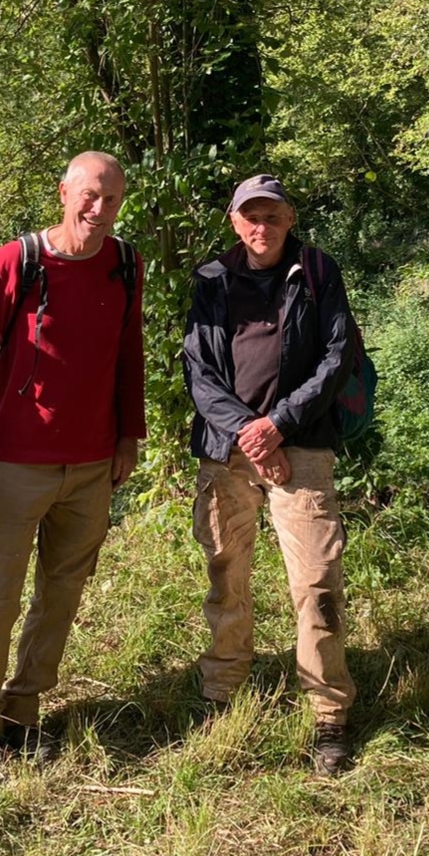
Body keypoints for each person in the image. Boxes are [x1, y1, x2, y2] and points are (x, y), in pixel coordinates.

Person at [0, 151, 144, 795]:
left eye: (112, 200)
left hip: (94, 465)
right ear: (65, 192)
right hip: (17, 464)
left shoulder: (125, 264)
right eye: (90, 196)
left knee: (61, 595)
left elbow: (128, 353)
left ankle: (24, 709)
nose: (99, 211)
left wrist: (130, 433)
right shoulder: (18, 261)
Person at [183, 175, 357, 775]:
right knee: (227, 573)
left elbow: (339, 357)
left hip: (300, 447)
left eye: (273, 216)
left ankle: (329, 713)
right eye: (251, 216)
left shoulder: (317, 271)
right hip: (227, 451)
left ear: (289, 218)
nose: (263, 227)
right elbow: (200, 373)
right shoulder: (211, 280)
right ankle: (223, 690)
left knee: (316, 582)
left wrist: (278, 426)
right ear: (235, 221)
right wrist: (251, 436)